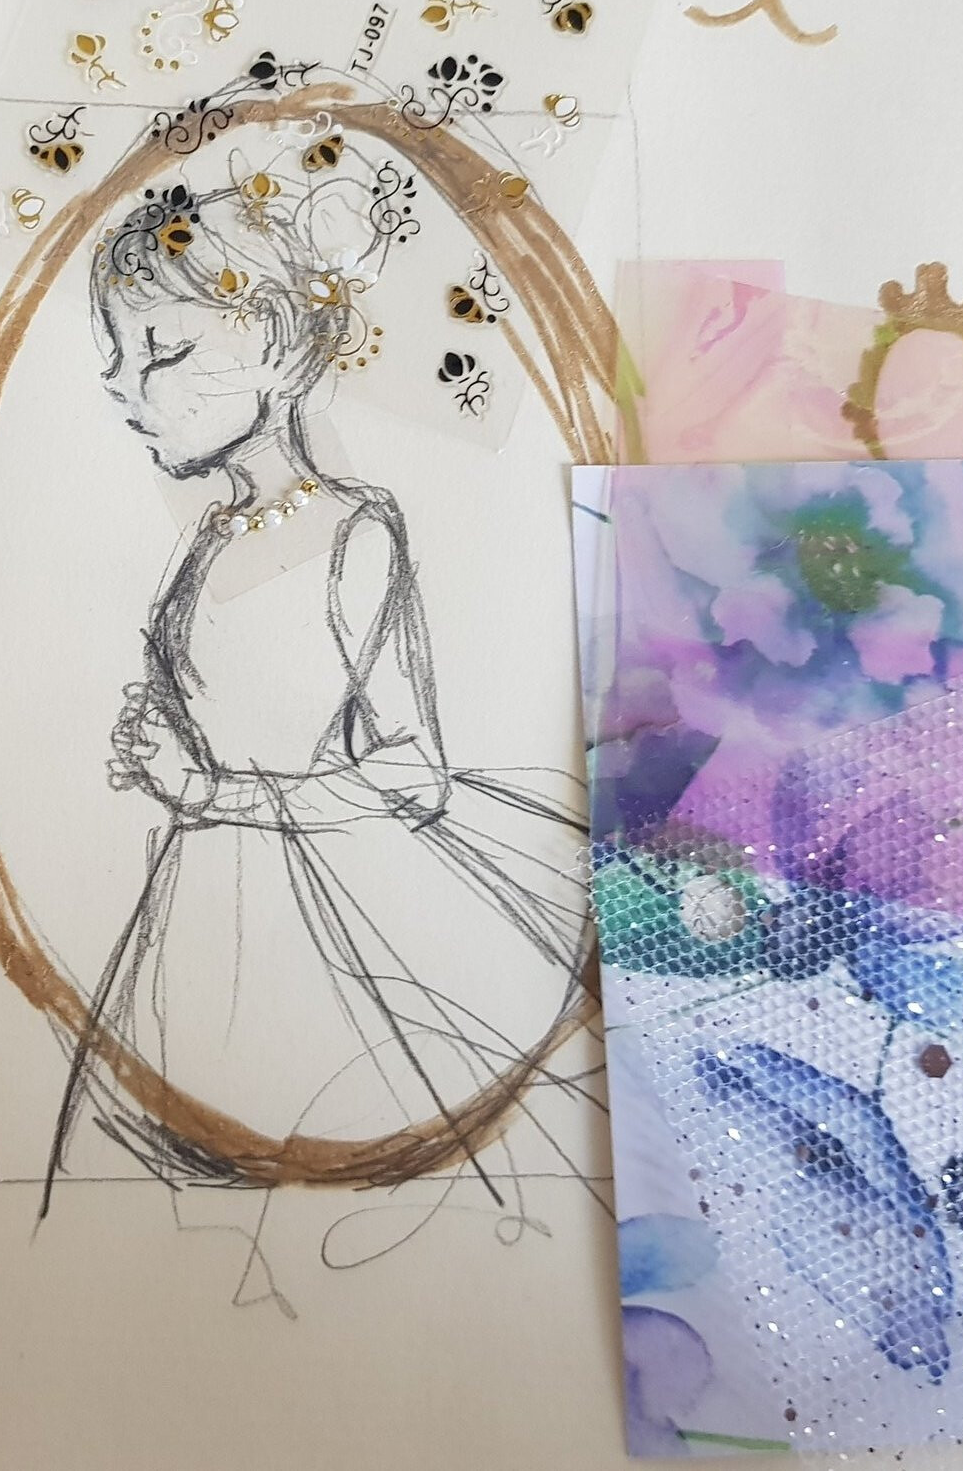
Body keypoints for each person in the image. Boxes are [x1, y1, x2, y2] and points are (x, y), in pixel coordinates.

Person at [46, 152, 593, 1206]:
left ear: (274, 347)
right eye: (116, 355)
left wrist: (215, 791)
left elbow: (411, 773)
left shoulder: (355, 528)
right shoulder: (208, 536)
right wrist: (159, 739)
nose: (123, 386)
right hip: (201, 898)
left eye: (163, 350)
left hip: (330, 896)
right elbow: (214, 697)